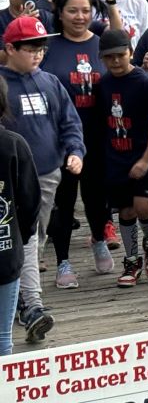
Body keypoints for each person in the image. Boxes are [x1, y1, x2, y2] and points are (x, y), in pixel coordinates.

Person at [1, 17, 84, 343]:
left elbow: (70, 122)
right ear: (10, 48)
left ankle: (23, 300)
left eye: (41, 48)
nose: (38, 53)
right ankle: (31, 305)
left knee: (34, 237)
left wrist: (75, 150)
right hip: (9, 178)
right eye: (30, 48)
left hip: (47, 175)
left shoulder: (50, 82)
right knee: (22, 238)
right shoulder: (2, 84)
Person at [41, 0, 122, 289]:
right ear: (59, 13)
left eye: (85, 10)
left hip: (99, 135)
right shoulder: (48, 45)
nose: (79, 16)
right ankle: (63, 259)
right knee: (64, 201)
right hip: (59, 137)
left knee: (97, 197)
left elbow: (122, 42)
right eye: (72, 10)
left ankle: (100, 238)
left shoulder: (101, 40)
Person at [96, 29, 148, 288]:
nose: (115, 61)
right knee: (124, 209)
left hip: (144, 151)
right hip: (116, 155)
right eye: (109, 57)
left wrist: (146, 160)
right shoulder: (103, 85)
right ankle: (131, 258)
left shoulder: (145, 83)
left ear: (131, 53)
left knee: (142, 203)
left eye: (120, 56)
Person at [0, 77, 40, 356]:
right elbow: (30, 203)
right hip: (6, 254)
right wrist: (20, 237)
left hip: (8, 256)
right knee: (3, 340)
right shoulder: (14, 145)